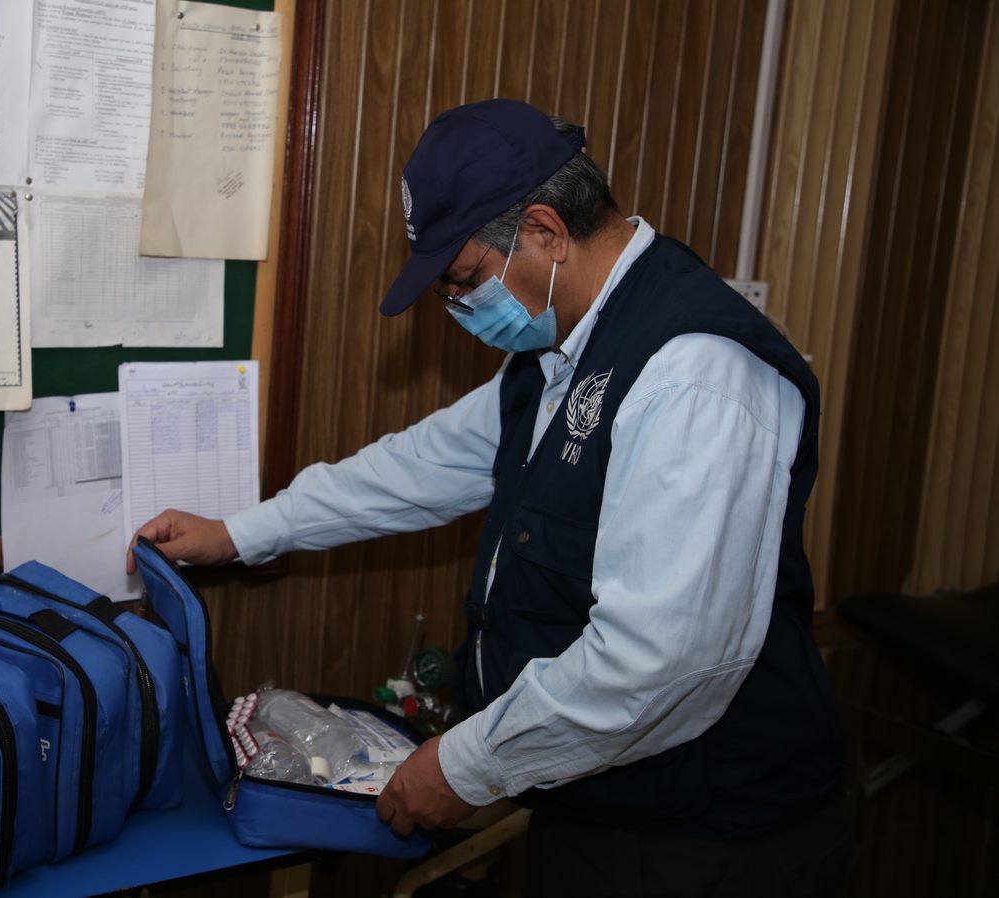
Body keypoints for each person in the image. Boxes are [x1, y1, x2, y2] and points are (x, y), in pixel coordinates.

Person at [128, 99, 853, 897]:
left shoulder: (697, 376)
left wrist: (472, 763)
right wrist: (239, 533)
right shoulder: (562, 345)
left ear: (545, 231)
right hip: (592, 796)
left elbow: (660, 661)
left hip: (708, 836)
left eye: (466, 280)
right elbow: (423, 465)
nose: (460, 308)